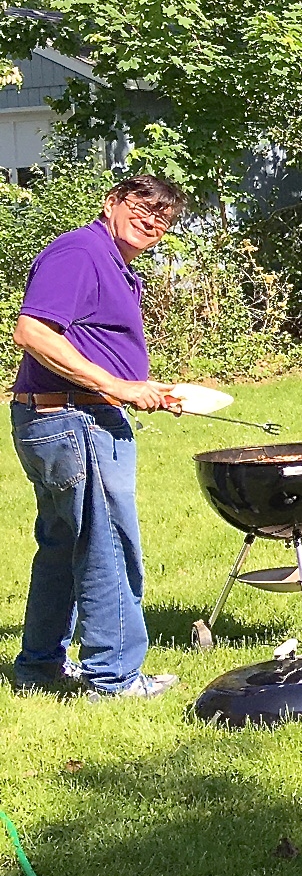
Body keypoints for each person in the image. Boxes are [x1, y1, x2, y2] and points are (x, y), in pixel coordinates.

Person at [10, 175, 189, 696]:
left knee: (65, 546)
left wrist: (139, 389)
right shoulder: (81, 251)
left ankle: (40, 666)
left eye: (164, 218)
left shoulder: (111, 261)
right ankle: (113, 676)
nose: (152, 221)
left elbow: (92, 341)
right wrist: (114, 386)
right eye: (142, 207)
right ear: (112, 203)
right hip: (74, 420)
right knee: (107, 547)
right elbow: (33, 332)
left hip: (69, 416)